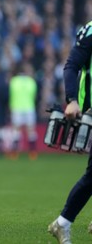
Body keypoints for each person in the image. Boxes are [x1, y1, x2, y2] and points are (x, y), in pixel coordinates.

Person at [48, 21, 92, 244]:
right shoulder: (91, 30)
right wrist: (72, 100)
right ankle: (63, 222)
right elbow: (71, 65)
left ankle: (63, 223)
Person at [8, 62, 38, 160]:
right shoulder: (31, 81)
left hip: (17, 107)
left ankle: (14, 153)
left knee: (16, 130)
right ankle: (32, 153)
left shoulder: (13, 81)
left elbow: (11, 95)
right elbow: (34, 96)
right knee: (31, 130)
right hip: (29, 107)